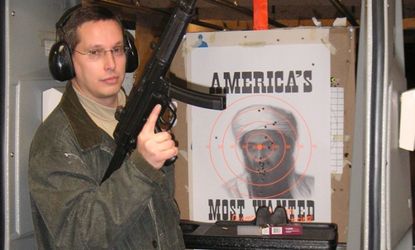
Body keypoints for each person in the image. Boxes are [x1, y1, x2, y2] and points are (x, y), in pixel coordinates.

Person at [28, 5, 185, 249]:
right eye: (95, 52)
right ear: (66, 60)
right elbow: (77, 237)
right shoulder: (55, 141)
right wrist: (141, 168)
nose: (111, 64)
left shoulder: (143, 119)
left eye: (117, 50)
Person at [224, 104, 314, 199]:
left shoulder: (313, 189)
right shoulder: (227, 194)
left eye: (269, 147)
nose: (260, 157)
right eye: (252, 148)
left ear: (289, 147)